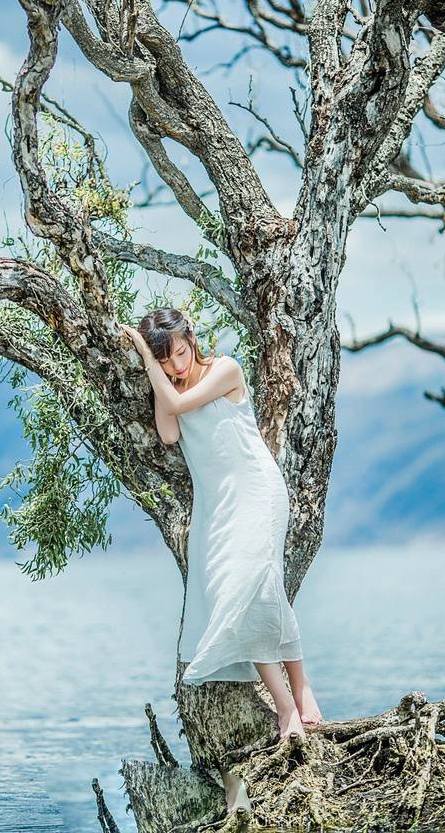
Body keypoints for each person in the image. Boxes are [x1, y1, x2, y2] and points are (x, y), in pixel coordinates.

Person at [121, 307, 322, 817]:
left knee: (255, 587)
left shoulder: (226, 370)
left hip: (256, 493)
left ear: (192, 338)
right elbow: (169, 431)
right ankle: (297, 694)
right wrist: (154, 367)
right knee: (248, 595)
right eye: (165, 362)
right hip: (218, 510)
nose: (176, 367)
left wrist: (146, 354)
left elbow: (178, 402)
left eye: (180, 353)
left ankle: (290, 706)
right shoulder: (170, 386)